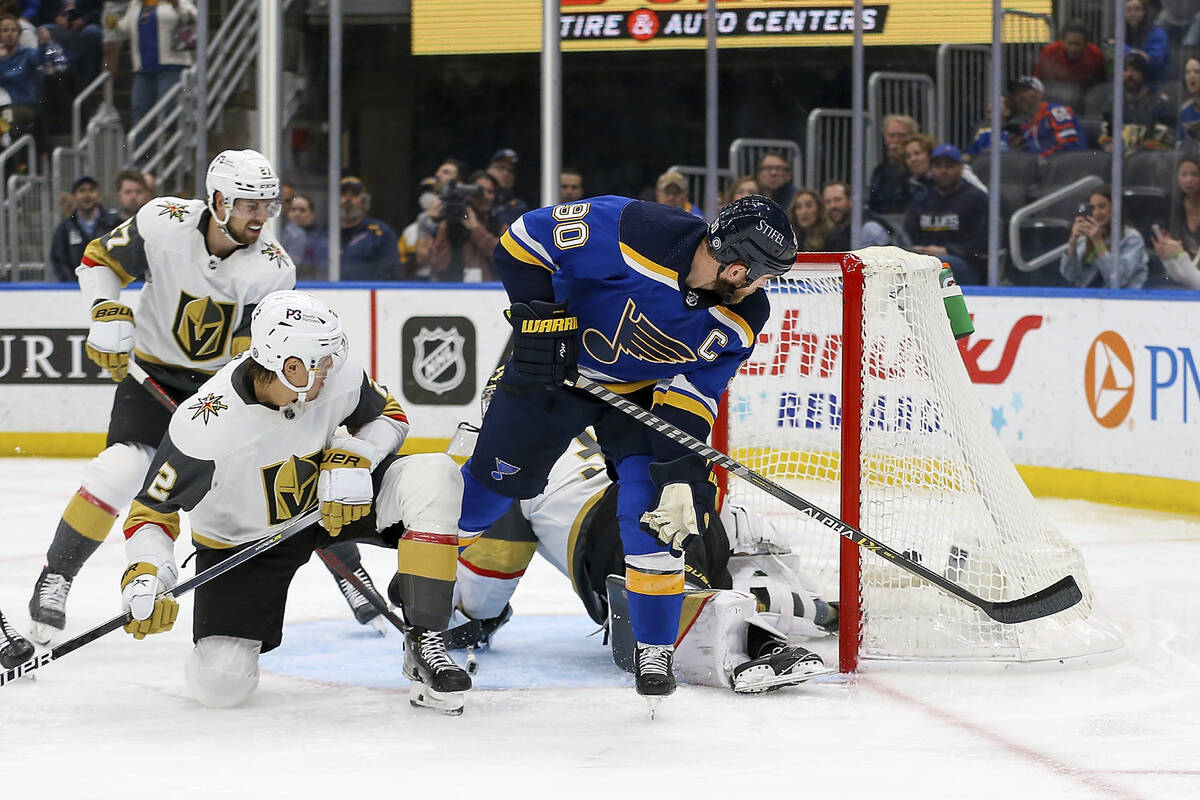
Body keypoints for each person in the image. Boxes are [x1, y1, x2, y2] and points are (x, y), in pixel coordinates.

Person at [456, 193, 797, 704]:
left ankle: (654, 650)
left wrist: (679, 475)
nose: (762, 288)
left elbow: (696, 393)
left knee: (656, 511)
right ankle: (429, 593)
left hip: (642, 397)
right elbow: (519, 243)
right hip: (556, 374)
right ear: (734, 262)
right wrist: (542, 324)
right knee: (486, 496)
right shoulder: (632, 230)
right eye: (760, 274)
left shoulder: (748, 312)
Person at [117, 290, 471, 712]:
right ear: (291, 367)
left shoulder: (335, 377)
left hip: (333, 504)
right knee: (222, 685)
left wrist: (354, 457)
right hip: (245, 547)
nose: (331, 369)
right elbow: (152, 510)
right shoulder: (205, 424)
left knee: (435, 475)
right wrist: (147, 573)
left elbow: (388, 415)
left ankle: (426, 639)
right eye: (320, 363)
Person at [25, 150, 295, 645]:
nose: (260, 216)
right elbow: (97, 260)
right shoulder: (162, 221)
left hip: (220, 393)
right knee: (118, 470)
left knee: (251, 496)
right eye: (248, 204)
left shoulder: (273, 269)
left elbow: (252, 358)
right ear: (218, 200)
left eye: (267, 205)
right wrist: (106, 309)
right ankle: (56, 574)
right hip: (149, 375)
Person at [451, 426, 833, 693]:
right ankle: (807, 609)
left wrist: (458, 612)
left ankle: (751, 632)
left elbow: (488, 586)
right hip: (689, 501)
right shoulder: (609, 402)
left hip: (608, 531)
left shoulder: (506, 457)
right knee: (749, 554)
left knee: (670, 601)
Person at [903, 144, 989, 285]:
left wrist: (948, 250)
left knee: (937, 265)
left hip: (966, 265)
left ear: (960, 168)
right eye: (938, 166)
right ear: (932, 168)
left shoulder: (976, 198)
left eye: (949, 166)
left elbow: (983, 241)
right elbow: (909, 232)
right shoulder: (922, 199)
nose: (943, 171)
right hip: (925, 259)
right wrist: (916, 249)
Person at [116, 1, 197, 147]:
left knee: (170, 108)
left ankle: (179, 145)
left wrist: (176, 6)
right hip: (143, 67)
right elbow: (125, 29)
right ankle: (138, 161)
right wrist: (113, 22)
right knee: (138, 111)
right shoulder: (136, 4)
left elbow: (194, 16)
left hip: (172, 64)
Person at [1059, 185, 1148, 288]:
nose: (1096, 213)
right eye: (1093, 208)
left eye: (1102, 207)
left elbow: (1118, 280)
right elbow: (1070, 276)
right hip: (1089, 299)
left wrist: (1098, 243)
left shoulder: (1132, 239)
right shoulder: (1087, 237)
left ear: (1115, 207)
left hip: (1124, 301)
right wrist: (1072, 242)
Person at [429, 169, 500, 283]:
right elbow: (437, 263)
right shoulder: (451, 223)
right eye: (479, 192)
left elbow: (502, 256)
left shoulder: (499, 223)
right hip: (454, 289)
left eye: (490, 192)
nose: (485, 196)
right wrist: (444, 223)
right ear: (468, 194)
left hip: (489, 290)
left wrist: (476, 229)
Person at [47, 175, 121, 281]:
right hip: (75, 288)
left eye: (91, 190)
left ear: (98, 195)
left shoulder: (114, 223)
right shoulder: (65, 228)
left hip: (110, 286)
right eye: (82, 191)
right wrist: (73, 284)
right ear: (74, 196)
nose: (87, 195)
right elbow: (59, 261)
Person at [1101, 51, 1177, 152]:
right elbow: (1105, 137)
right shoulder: (1113, 104)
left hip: (1148, 163)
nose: (1129, 74)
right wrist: (1108, 145)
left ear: (1144, 74)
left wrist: (1136, 150)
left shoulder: (1161, 105)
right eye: (1126, 70)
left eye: (1134, 70)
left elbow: (1164, 144)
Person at [338, 175, 400, 281]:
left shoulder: (381, 233)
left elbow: (392, 275)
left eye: (354, 194)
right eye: (343, 194)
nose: (347, 199)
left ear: (364, 201)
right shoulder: (326, 234)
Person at [1009, 75, 1086, 158]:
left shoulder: (1057, 111)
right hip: (1044, 168)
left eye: (1025, 90)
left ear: (1039, 94)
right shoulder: (1025, 128)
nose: (1020, 95)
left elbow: (1068, 145)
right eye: (1017, 92)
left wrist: (1037, 161)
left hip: (1071, 165)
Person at [1034, 19, 1107, 90]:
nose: (1073, 48)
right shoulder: (1049, 52)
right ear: (1062, 41)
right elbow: (1037, 82)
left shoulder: (1095, 55)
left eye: (1078, 44)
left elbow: (1101, 85)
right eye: (1070, 43)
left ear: (1086, 44)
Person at [821, 180, 894, 250]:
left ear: (851, 200)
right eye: (827, 202)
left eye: (837, 200)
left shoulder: (869, 228)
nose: (832, 206)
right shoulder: (836, 231)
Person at [868, 114, 918, 214]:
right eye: (891, 135)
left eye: (901, 136)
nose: (895, 140)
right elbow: (873, 205)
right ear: (885, 139)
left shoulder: (918, 170)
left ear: (912, 138)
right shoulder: (879, 171)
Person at [1122, 0, 1169, 87]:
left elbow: (1153, 61)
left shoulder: (1158, 34)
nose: (1132, 13)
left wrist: (1123, 49)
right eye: (1128, 10)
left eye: (1137, 9)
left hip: (1154, 85)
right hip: (1128, 87)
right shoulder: (1121, 34)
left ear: (1145, 12)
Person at [282, 193, 328, 281]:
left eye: (302, 210)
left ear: (312, 215)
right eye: (293, 209)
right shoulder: (279, 235)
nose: (297, 213)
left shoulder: (321, 239)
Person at [487, 148, 529, 229]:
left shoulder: (518, 206)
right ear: (488, 170)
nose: (506, 173)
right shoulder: (475, 197)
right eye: (501, 168)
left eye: (511, 170)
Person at [787, 187, 832, 252]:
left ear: (819, 209)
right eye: (799, 207)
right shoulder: (791, 238)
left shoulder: (831, 236)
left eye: (809, 205)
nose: (804, 212)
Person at [1177, 55, 1200, 147]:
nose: (1192, 76)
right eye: (1187, 72)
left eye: (1197, 72)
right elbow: (1179, 144)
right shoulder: (1183, 110)